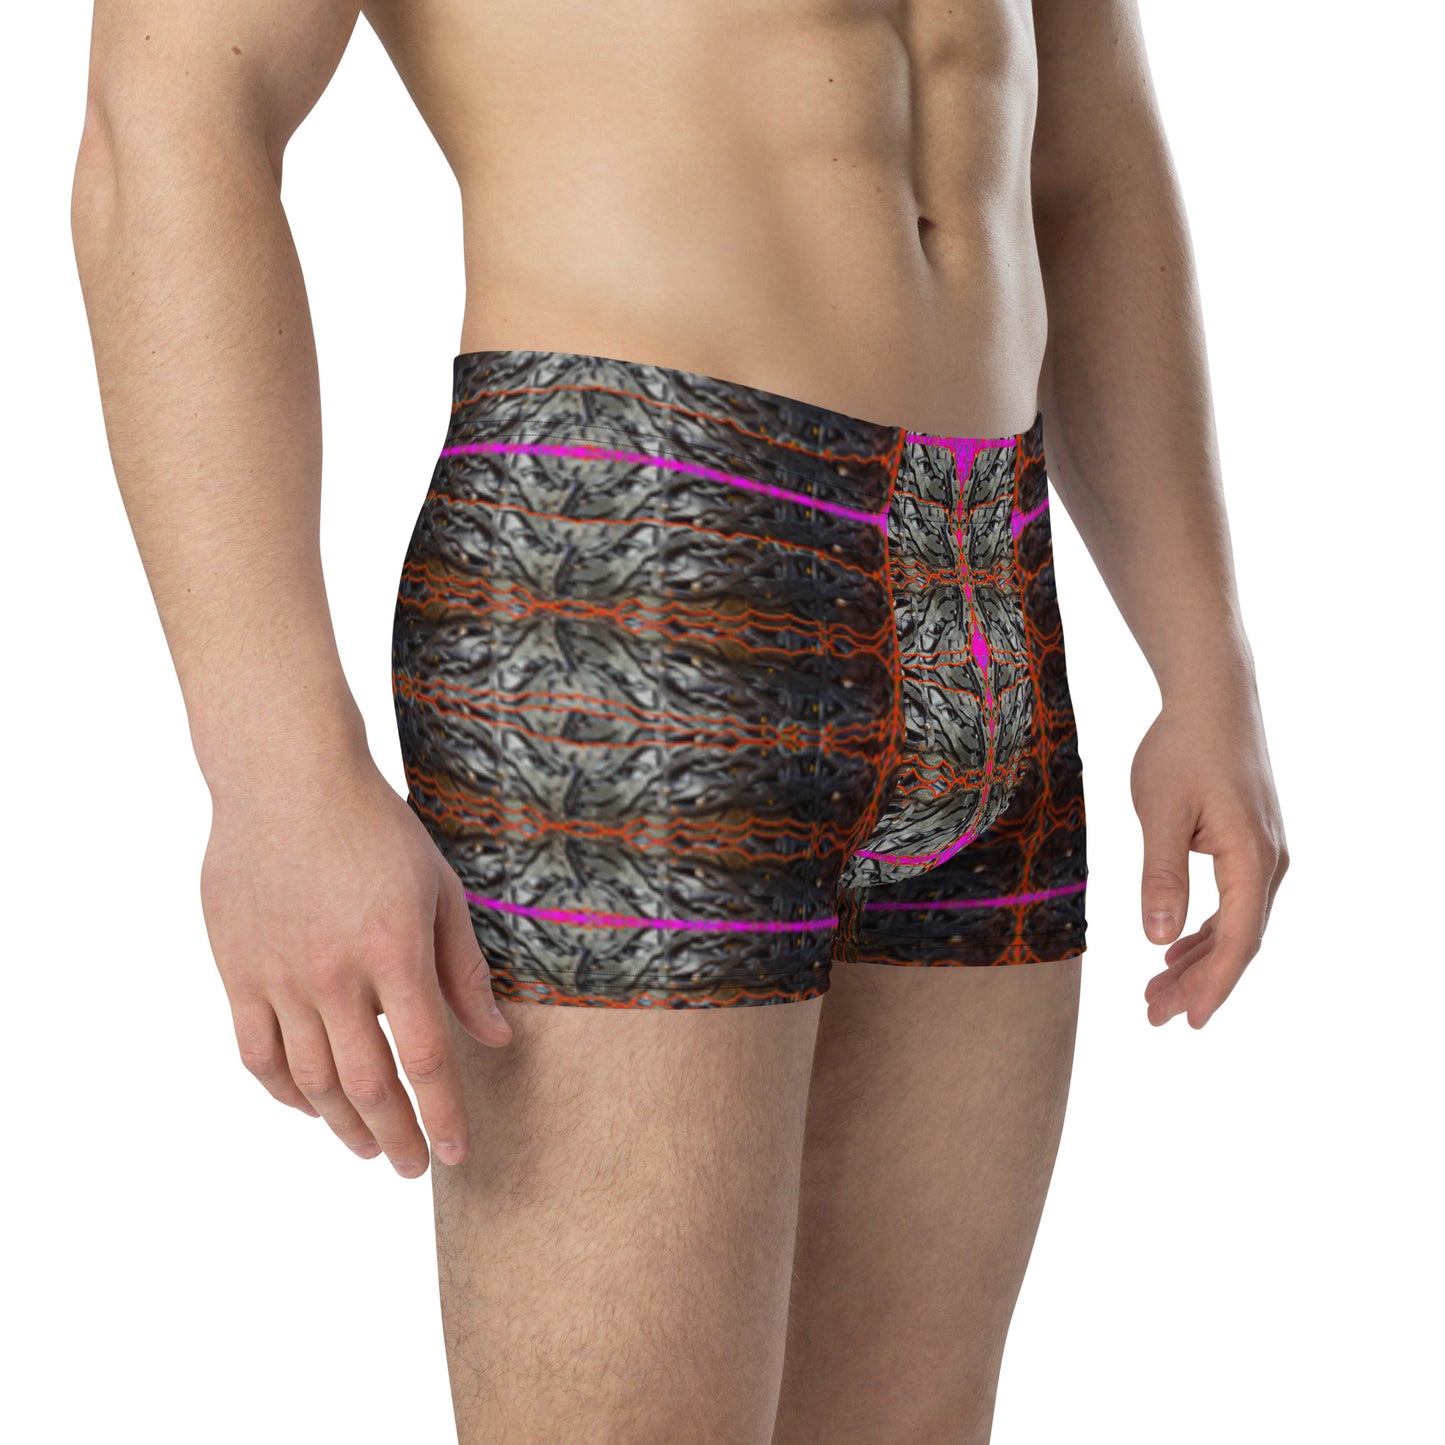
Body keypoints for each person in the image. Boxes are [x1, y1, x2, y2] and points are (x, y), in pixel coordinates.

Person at [70, 0, 1289, 1440]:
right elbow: (170, 122)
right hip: (632, 557)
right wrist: (275, 773)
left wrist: (1202, 657)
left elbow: (1084, 151)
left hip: (984, 578)